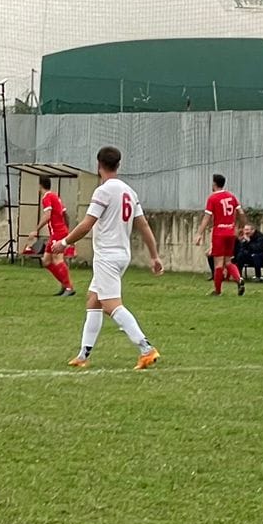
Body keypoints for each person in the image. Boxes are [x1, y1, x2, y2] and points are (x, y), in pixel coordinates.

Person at [52, 146, 163, 369]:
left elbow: (86, 224)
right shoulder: (129, 192)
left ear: (98, 165)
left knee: (112, 305)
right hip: (121, 254)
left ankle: (146, 348)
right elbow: (143, 225)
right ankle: (83, 355)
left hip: (107, 256)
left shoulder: (103, 191)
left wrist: (64, 243)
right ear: (118, 165)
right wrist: (154, 256)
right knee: (93, 301)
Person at [200, 173, 243, 296]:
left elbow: (206, 218)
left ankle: (217, 291)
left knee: (218, 263)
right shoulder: (231, 196)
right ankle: (239, 279)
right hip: (230, 232)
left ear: (214, 184)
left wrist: (199, 233)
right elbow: (240, 212)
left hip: (219, 233)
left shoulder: (213, 198)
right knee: (228, 261)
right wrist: (240, 226)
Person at [37, 177, 75, 295]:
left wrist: (36, 229)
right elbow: (65, 215)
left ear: (40, 186)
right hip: (58, 232)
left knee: (57, 259)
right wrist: (67, 231)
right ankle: (65, 285)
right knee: (46, 261)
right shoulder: (56, 196)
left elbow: (48, 215)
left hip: (57, 233)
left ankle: (69, 288)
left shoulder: (47, 197)